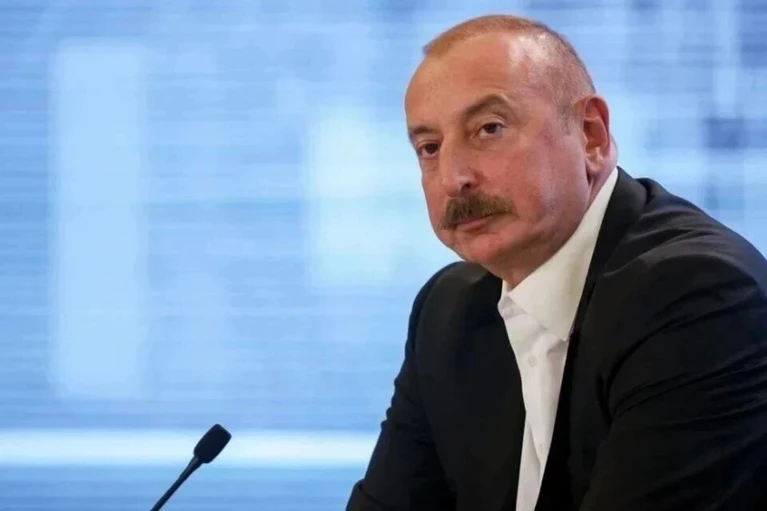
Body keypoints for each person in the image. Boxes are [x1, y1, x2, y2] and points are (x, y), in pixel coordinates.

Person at [345, 13, 767, 511]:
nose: (453, 177)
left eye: (488, 129)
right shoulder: (447, 309)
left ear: (591, 135)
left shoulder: (698, 296)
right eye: (429, 148)